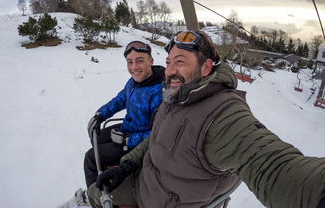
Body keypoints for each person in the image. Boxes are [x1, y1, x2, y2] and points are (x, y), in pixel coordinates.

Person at [87, 30, 325, 208]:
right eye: (169, 63)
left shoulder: (222, 112)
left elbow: (271, 165)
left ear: (205, 68)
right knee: (97, 180)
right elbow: (156, 138)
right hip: (145, 178)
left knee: (96, 194)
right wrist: (127, 164)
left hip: (159, 198)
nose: (170, 71)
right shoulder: (176, 98)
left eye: (180, 62)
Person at [74, 40, 165, 206]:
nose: (134, 67)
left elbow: (159, 133)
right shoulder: (133, 82)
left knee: (90, 157)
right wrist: (100, 115)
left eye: (140, 60)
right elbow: (119, 100)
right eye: (130, 62)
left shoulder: (159, 92)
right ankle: (107, 179)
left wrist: (128, 141)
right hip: (127, 129)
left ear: (151, 61)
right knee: (98, 138)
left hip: (138, 146)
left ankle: (97, 197)